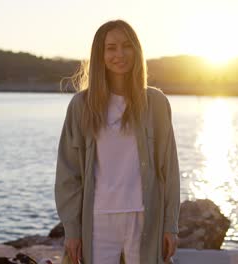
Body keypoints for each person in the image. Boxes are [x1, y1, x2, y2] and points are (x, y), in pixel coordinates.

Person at [54, 20, 180, 264]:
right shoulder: (81, 106)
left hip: (144, 217)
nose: (119, 54)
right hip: (97, 220)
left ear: (136, 50)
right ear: (100, 55)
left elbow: (169, 171)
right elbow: (67, 174)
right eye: (111, 48)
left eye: (126, 46)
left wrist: (170, 226)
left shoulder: (156, 103)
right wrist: (72, 229)